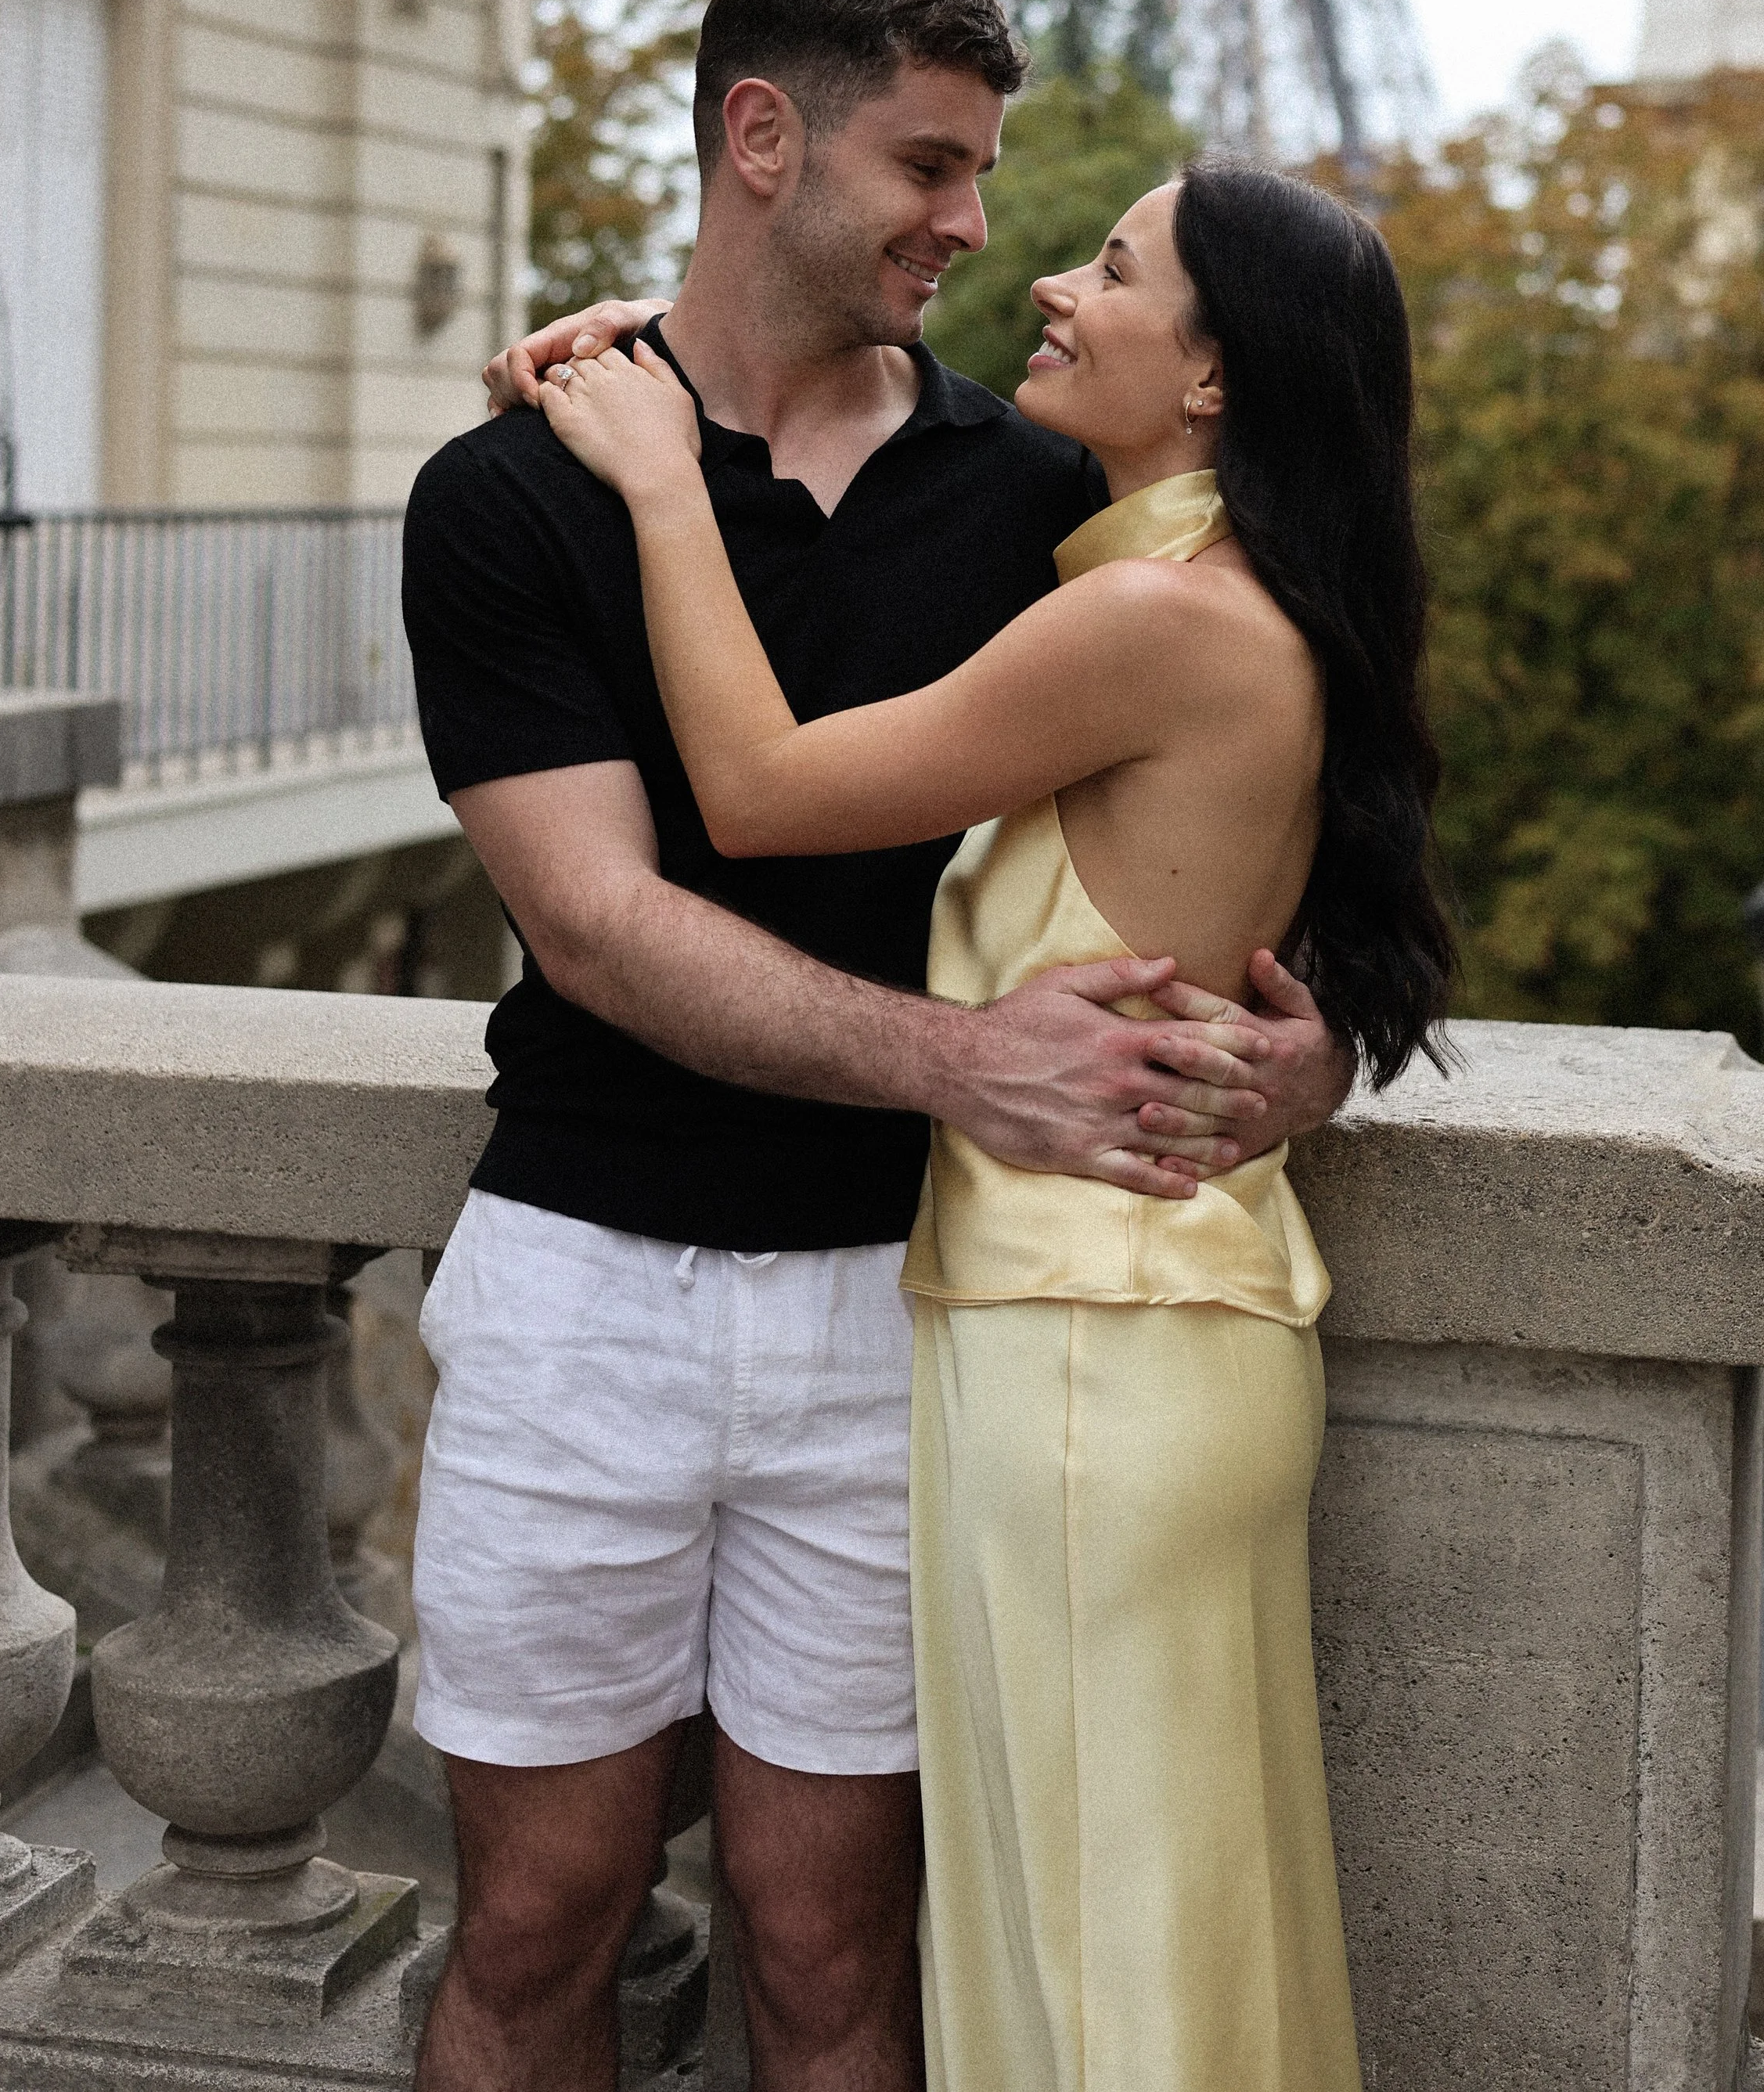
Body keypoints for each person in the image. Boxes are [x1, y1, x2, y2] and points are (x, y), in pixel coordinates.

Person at [399, 0, 1353, 2092]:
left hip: (895, 1312)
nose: (973, 226)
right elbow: (601, 928)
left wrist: (1312, 1042)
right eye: (928, 164)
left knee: (836, 1952)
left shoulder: (1036, 499)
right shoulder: (511, 492)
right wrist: (967, 1060)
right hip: (582, 1287)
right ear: (762, 138)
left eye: (991, 178)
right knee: (535, 1923)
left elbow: (1292, 775)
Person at [539, 157, 1455, 2092]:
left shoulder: (1166, 623)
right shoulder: (1215, 591)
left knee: (1096, 1973)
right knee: (1166, 1941)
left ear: (1210, 380)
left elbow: (764, 788)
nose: (1046, 278)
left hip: (1084, 1358)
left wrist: (651, 477)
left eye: (1110, 268)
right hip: (1127, 1335)